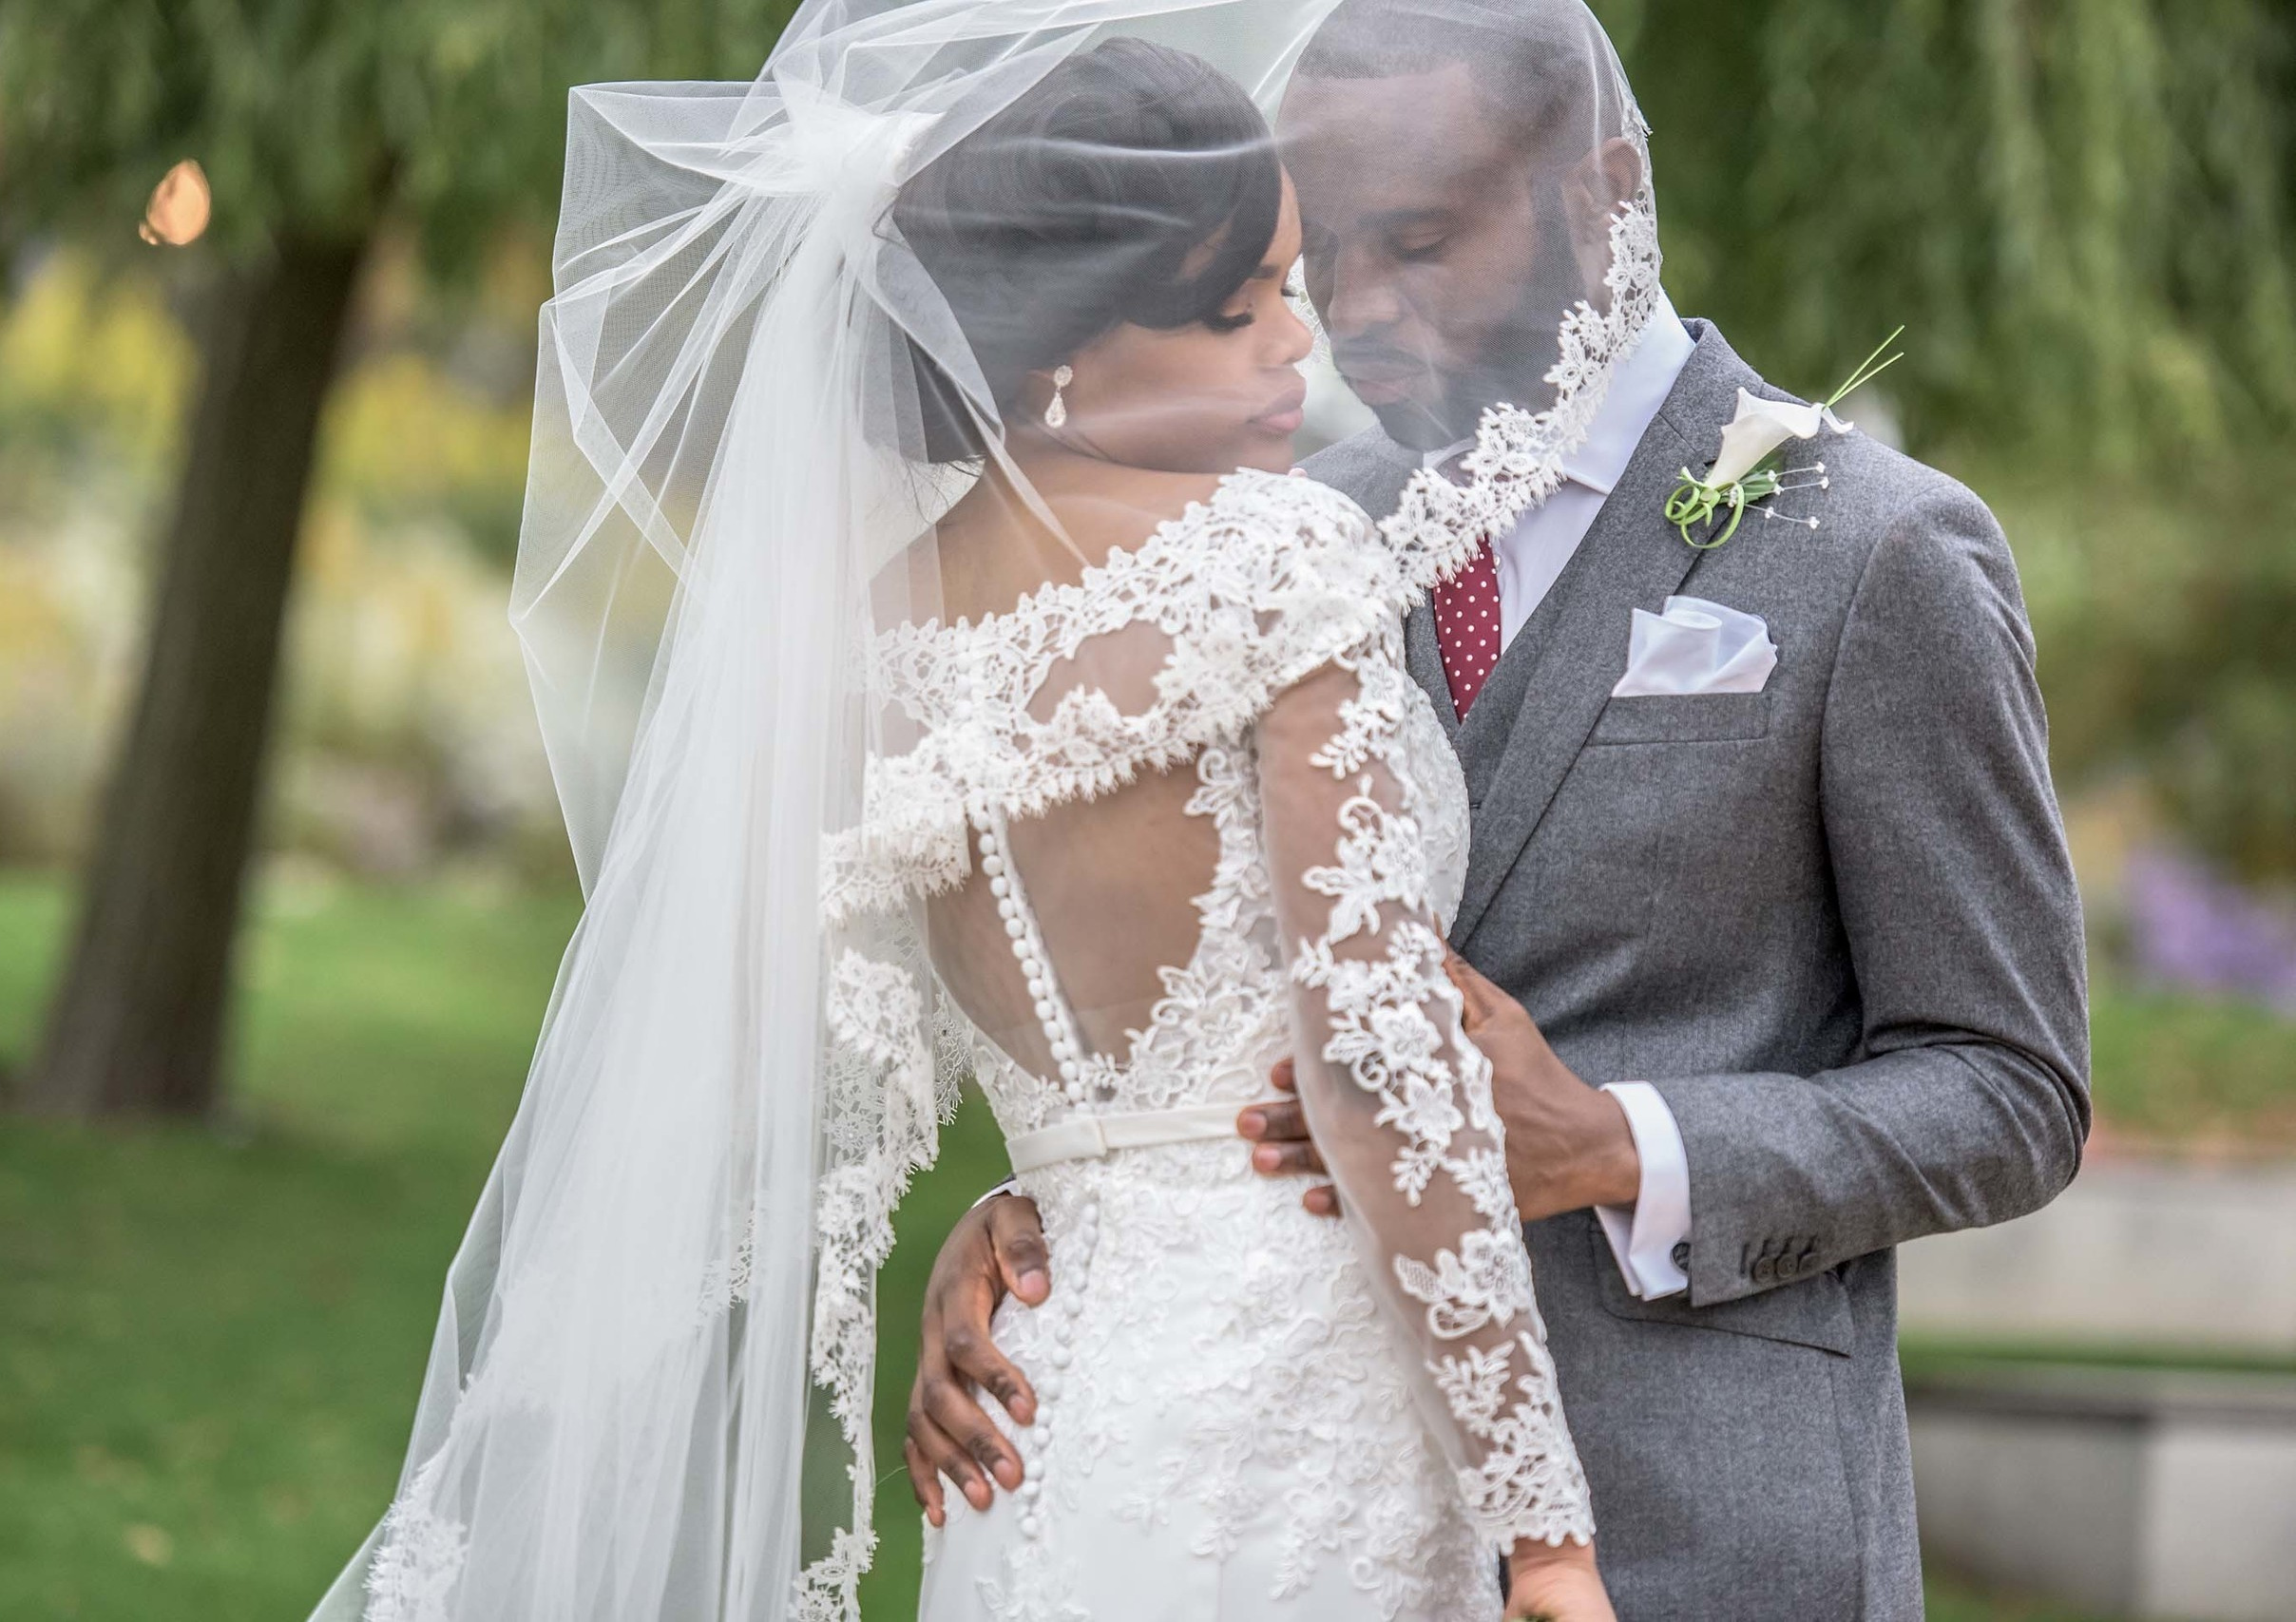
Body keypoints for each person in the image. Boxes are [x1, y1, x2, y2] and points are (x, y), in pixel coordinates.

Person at [306, 3, 1640, 1620]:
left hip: (1034, 1400)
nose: (1304, 343)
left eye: (1289, 288)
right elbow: (1374, 1068)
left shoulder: (859, 643)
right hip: (1297, 1400)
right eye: (1241, 310)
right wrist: (1546, 1529)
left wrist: (1017, 1201)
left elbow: (1008, 1069)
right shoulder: (1280, 561)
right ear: (1060, 348)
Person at [909, 2, 2095, 1618]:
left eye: (1416, 246)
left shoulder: (1874, 554)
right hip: (1292, 1517)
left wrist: (1618, 1144)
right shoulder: (1271, 535)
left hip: (1693, 1523)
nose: (1351, 319)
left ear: (1602, 196)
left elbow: (2013, 1090)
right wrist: (1059, 1217)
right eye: (1317, 258)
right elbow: (1184, 972)